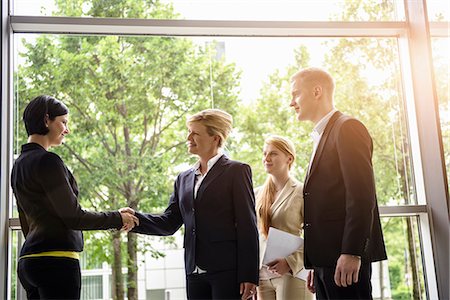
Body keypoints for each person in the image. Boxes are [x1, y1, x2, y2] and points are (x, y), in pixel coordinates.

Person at [10, 95, 139, 300]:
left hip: (28, 263)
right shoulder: (49, 161)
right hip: (57, 263)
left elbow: (26, 221)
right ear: (46, 120)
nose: (66, 130)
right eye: (63, 122)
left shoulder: (19, 165)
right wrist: (117, 218)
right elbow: (73, 217)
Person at [123, 109, 259, 300]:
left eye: (195, 133)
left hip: (228, 271)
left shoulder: (237, 171)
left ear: (216, 139)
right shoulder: (183, 178)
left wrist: (249, 274)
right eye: (189, 131)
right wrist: (135, 218)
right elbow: (169, 222)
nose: (188, 137)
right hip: (193, 271)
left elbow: (248, 224)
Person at [289, 67, 387, 299]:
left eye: (295, 94)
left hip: (345, 260)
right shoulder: (322, 134)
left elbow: (361, 197)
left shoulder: (347, 128)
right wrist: (316, 263)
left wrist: (351, 252)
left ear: (316, 91)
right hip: (328, 261)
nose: (291, 102)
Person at [255, 135, 313, 300]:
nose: (266, 158)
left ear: (289, 158)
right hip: (262, 276)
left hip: (292, 273)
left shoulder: (302, 192)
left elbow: (317, 235)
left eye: (273, 153)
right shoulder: (257, 194)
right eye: (264, 153)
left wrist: (290, 262)